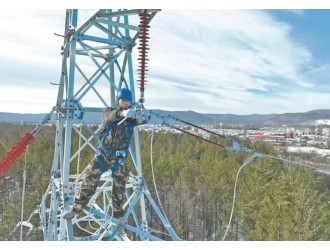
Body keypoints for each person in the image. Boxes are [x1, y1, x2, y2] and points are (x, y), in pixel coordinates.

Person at [63, 88, 150, 222]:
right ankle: (77, 209)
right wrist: (123, 113)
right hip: (103, 156)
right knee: (89, 180)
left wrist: (143, 114)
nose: (126, 104)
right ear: (118, 101)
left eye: (128, 102)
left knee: (120, 186)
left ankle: (118, 213)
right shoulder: (110, 112)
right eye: (123, 101)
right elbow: (110, 116)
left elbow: (142, 120)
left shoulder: (130, 119)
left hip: (118, 159)